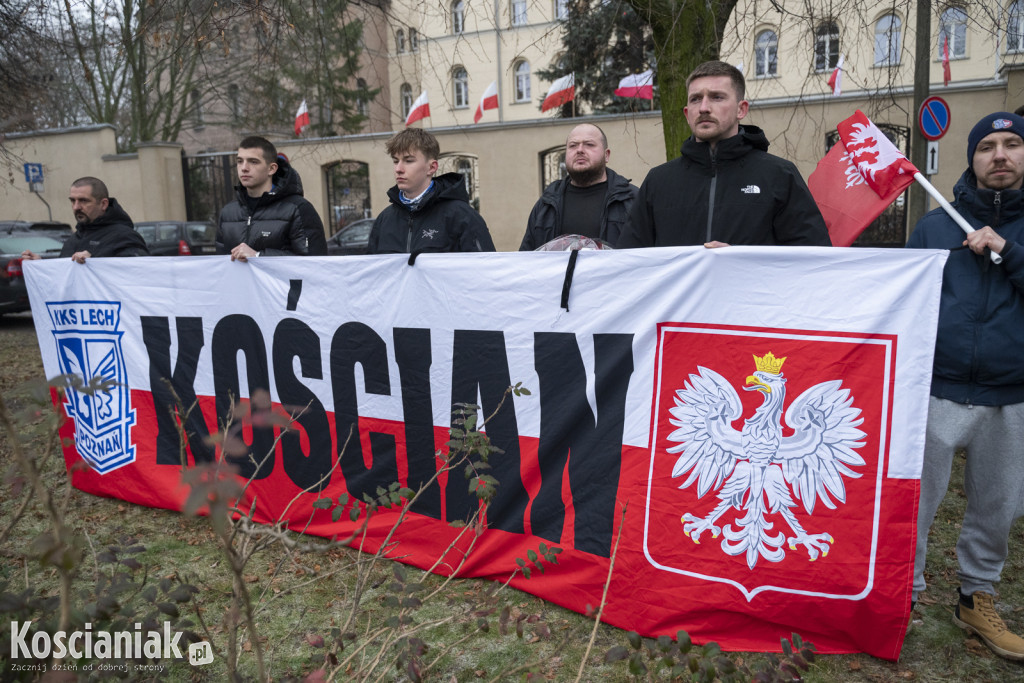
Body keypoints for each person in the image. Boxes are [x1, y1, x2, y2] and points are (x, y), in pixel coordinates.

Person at [906, 111, 1024, 661]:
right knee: (914, 503)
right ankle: (902, 593)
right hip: (936, 390)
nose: (1000, 155)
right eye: (987, 146)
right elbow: (901, 302)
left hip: (1011, 395)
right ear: (971, 158)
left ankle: (977, 599)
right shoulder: (935, 227)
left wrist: (1009, 251)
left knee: (996, 508)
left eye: (1012, 144)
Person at [619, 61, 830, 248]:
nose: (704, 108)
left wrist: (740, 260)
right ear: (686, 113)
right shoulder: (659, 181)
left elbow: (812, 259)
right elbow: (629, 261)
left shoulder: (779, 175)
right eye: (695, 99)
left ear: (741, 109)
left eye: (717, 97)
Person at [367, 128, 494, 254]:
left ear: (432, 167)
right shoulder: (384, 219)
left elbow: (485, 265)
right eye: (395, 161)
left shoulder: (462, 216)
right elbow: (372, 266)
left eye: (408, 161)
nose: (398, 169)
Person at [519, 123, 637, 250]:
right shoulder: (546, 204)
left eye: (589, 144)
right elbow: (526, 257)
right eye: (573, 145)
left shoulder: (631, 200)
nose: (580, 150)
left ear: (606, 155)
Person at [217, 136, 327, 260]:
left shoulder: (298, 209)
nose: (244, 168)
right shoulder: (228, 213)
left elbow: (314, 261)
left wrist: (258, 256)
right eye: (240, 161)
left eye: (253, 162)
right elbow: (220, 263)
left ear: (272, 168)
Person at [22, 177, 148, 263]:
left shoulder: (125, 237)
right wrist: (41, 265)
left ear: (103, 204)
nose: (76, 207)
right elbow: (66, 277)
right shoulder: (73, 239)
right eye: (73, 201)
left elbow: (138, 275)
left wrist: (94, 262)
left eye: (83, 200)